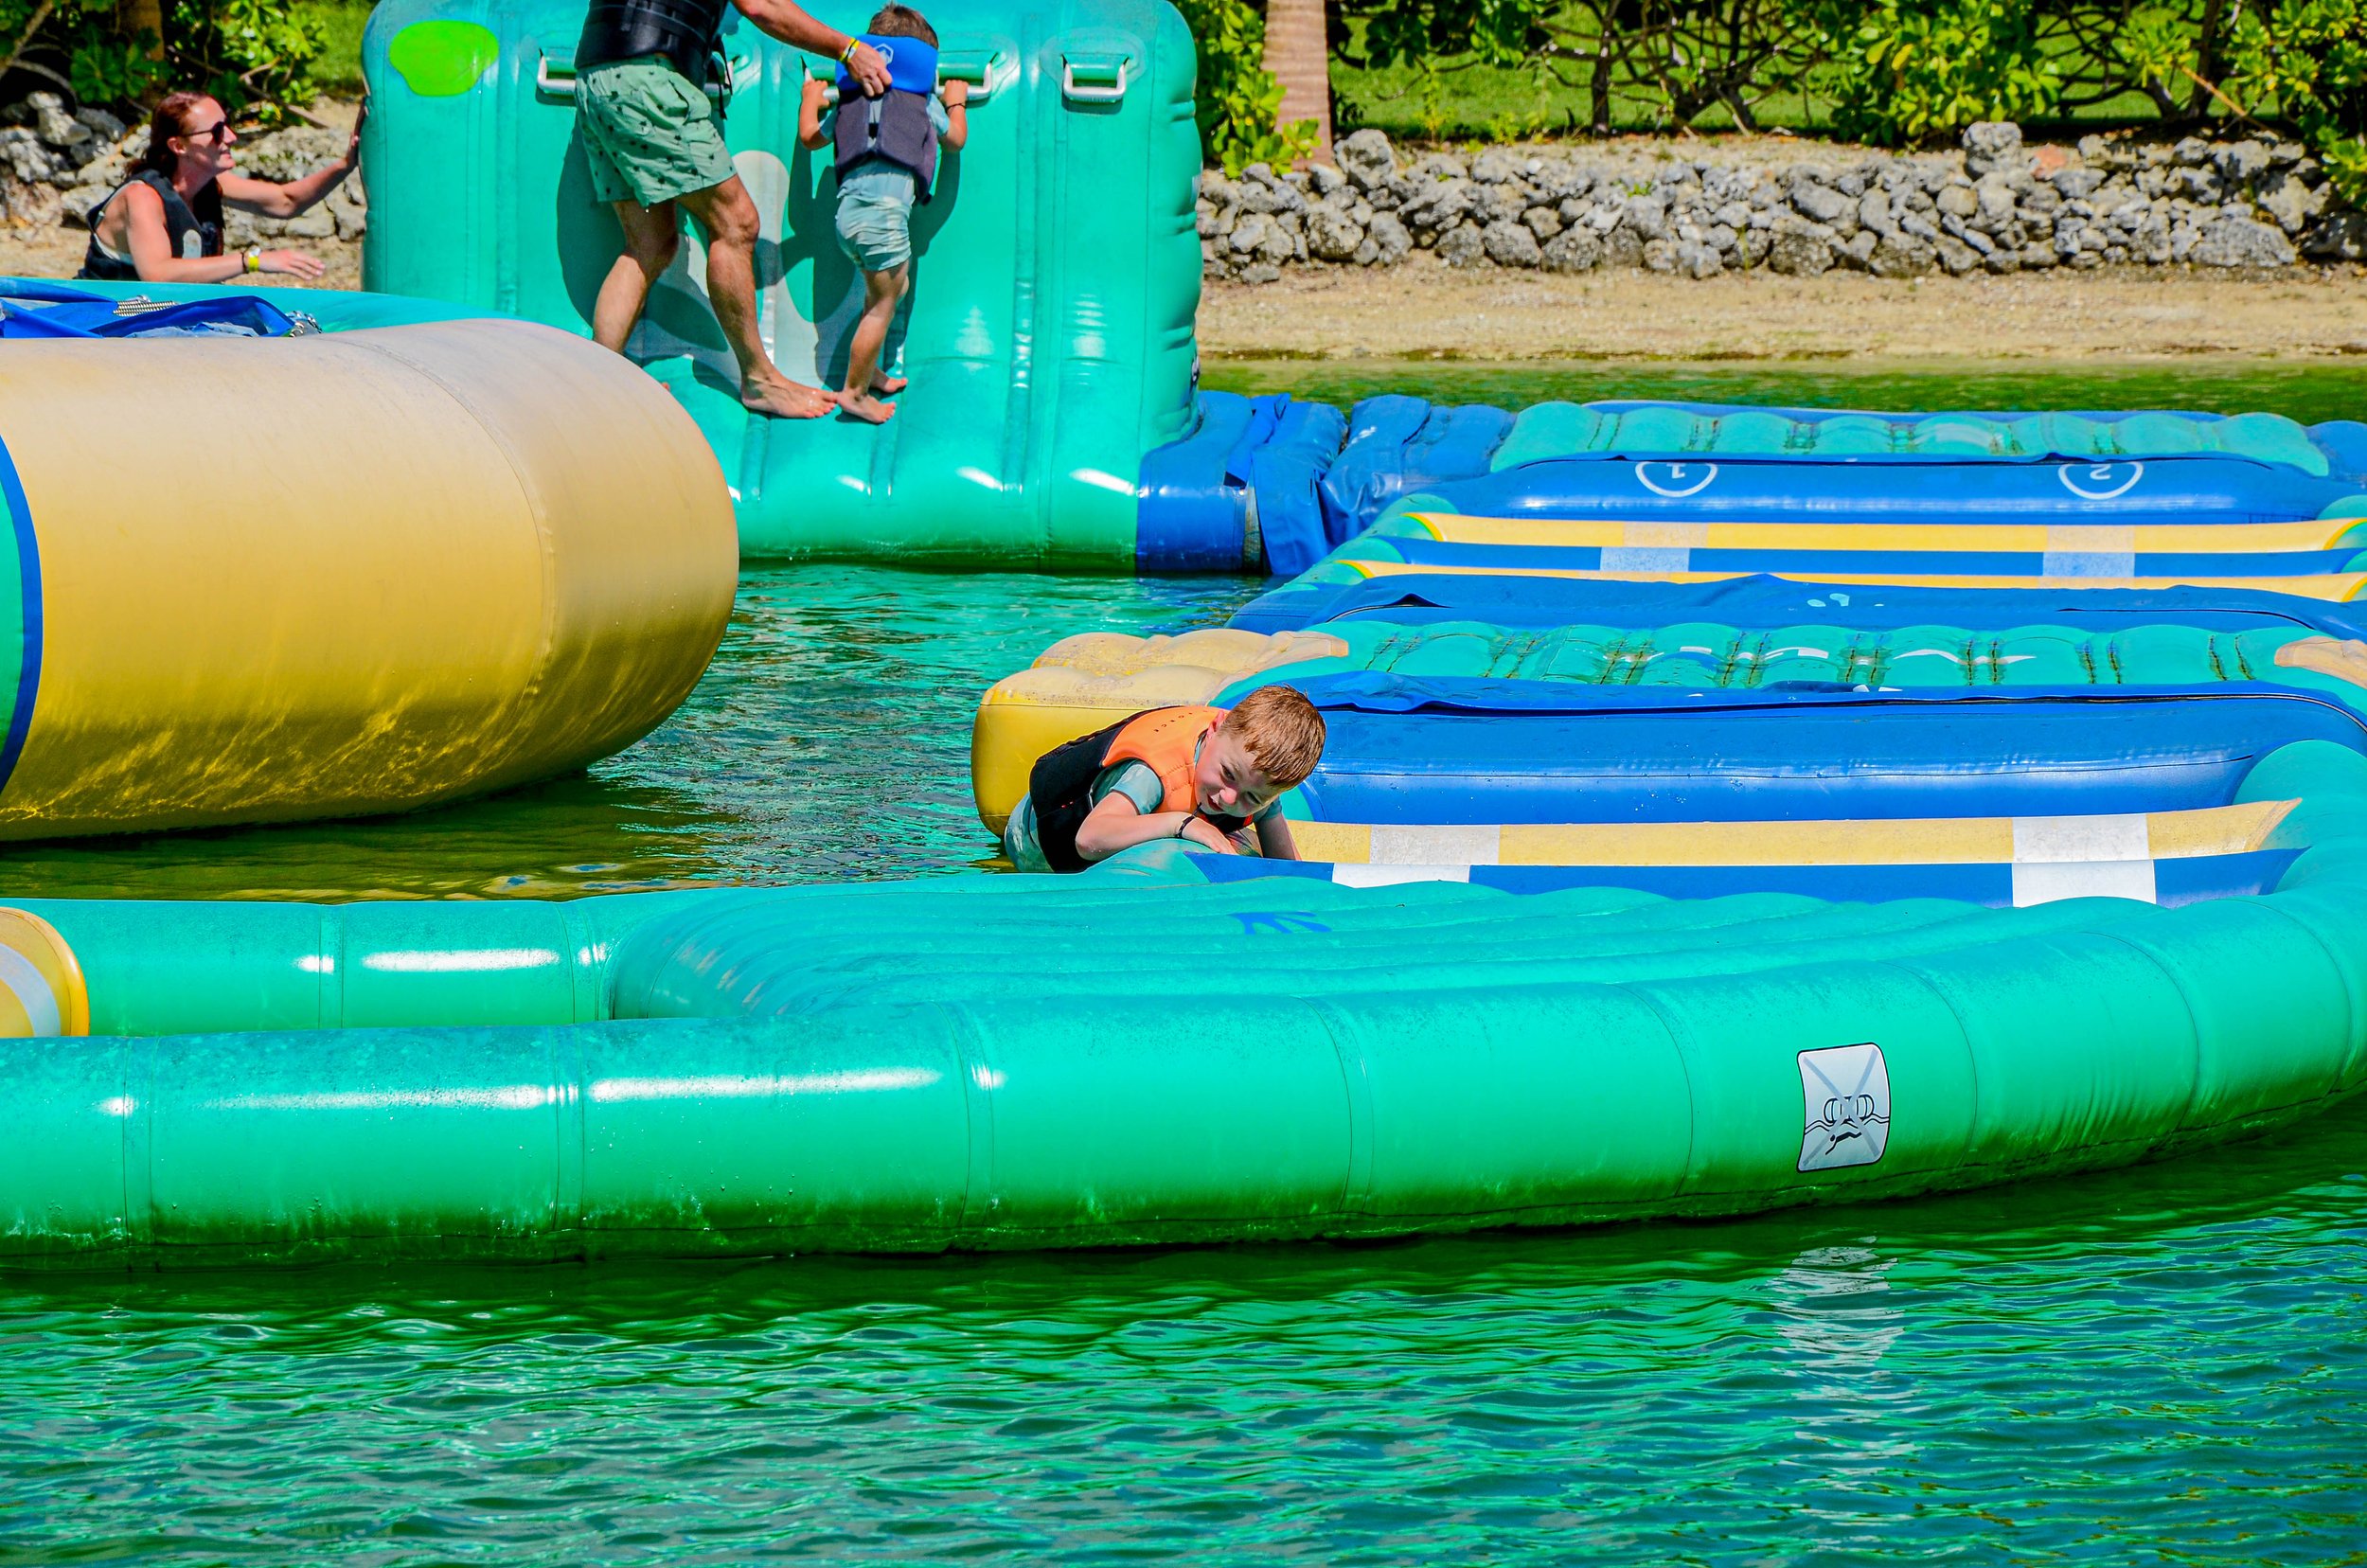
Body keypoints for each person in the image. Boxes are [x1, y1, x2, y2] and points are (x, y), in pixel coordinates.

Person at [575, 0, 892, 419]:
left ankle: (604, 381)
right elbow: (763, 7)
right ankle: (759, 381)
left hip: (594, 81)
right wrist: (848, 49)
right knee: (737, 223)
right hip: (648, 79)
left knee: (647, 244)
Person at [795, 4, 966, 424]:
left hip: (847, 218)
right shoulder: (919, 102)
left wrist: (810, 98)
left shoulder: (853, 101)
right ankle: (854, 393)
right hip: (885, 220)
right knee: (883, 304)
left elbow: (808, 138)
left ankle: (867, 368)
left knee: (885, 291)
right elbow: (955, 141)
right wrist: (956, 102)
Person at [1005, 686, 1327, 873]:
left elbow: (1288, 871)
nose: (1228, 799)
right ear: (1215, 729)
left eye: (1253, 798)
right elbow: (1088, 839)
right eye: (1227, 775)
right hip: (1038, 839)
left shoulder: (1251, 774)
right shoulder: (1155, 774)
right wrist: (1180, 823)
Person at [79, 92, 358, 284]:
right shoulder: (141, 197)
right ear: (178, 146)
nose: (232, 137)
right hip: (101, 319)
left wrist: (346, 164)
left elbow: (286, 201)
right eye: (216, 132)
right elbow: (158, 274)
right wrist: (252, 261)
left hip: (158, 319)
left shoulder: (209, 184)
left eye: (227, 126)